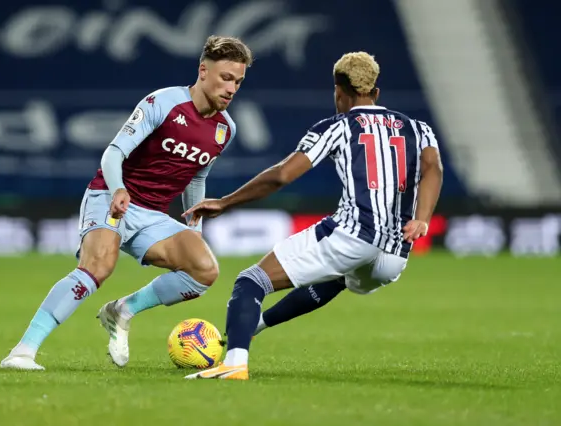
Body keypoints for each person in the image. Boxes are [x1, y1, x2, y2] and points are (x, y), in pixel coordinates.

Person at [182, 51, 443, 380]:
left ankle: (234, 363)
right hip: (394, 255)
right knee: (337, 278)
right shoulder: (417, 128)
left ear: (338, 90)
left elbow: (282, 175)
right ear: (375, 93)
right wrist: (422, 218)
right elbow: (433, 168)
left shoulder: (337, 127)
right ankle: (252, 326)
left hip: (352, 234)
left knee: (250, 281)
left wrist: (226, 202)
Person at [0, 35, 253, 371]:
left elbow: (195, 177)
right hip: (111, 194)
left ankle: (123, 310)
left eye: (238, 81)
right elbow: (114, 152)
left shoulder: (225, 129)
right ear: (203, 71)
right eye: (225, 78)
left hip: (153, 214)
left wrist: (195, 226)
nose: (231, 88)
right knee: (98, 267)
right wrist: (119, 189)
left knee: (204, 270)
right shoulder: (162, 103)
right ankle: (22, 352)